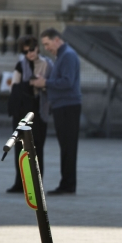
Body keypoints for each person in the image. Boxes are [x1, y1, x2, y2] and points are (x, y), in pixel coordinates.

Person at [31, 28, 82, 195]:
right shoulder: (63, 54)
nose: (46, 48)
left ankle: (67, 185)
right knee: (66, 146)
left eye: (47, 43)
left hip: (67, 106)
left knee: (68, 147)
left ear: (57, 40)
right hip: (63, 106)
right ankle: (67, 183)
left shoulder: (67, 55)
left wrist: (45, 83)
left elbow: (67, 82)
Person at [6, 35, 53, 193]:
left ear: (37, 48)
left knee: (37, 148)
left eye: (32, 50)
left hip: (38, 111)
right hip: (21, 111)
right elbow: (15, 87)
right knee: (20, 147)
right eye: (26, 52)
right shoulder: (21, 64)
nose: (30, 54)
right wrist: (32, 83)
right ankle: (20, 183)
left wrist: (40, 84)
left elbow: (50, 86)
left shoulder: (47, 64)